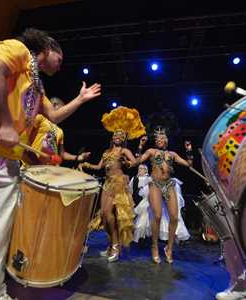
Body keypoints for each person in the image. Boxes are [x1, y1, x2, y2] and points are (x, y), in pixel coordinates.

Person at [0, 28, 101, 300]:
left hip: (5, 160)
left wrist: (79, 99)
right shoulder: (16, 49)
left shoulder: (37, 84)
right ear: (47, 48)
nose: (61, 64)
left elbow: (52, 116)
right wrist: (6, 123)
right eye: (60, 58)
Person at [79, 106, 146, 262]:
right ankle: (111, 244)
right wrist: (86, 164)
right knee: (104, 214)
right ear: (112, 137)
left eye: (121, 135)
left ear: (123, 139)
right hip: (107, 184)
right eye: (116, 134)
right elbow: (99, 167)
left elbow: (135, 162)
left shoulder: (123, 151)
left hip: (119, 183)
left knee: (113, 217)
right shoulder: (106, 152)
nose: (117, 136)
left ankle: (116, 245)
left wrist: (127, 163)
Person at [132, 128, 193, 263]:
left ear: (166, 140)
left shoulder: (172, 154)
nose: (159, 140)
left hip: (169, 184)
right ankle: (154, 246)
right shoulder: (151, 152)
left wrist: (189, 150)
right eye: (157, 139)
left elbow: (189, 164)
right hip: (155, 184)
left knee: (174, 217)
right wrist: (140, 145)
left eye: (162, 138)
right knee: (158, 215)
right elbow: (137, 162)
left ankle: (169, 248)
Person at [23, 97, 91, 166]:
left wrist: (79, 157)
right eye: (63, 109)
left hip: (49, 169)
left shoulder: (60, 131)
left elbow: (62, 154)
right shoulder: (39, 118)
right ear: (55, 105)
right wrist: (34, 161)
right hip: (32, 167)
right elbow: (25, 142)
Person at [133, 175, 190, 244]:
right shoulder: (152, 181)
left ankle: (167, 240)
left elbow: (173, 197)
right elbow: (144, 193)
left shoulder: (171, 182)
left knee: (165, 221)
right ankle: (143, 238)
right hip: (152, 204)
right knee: (145, 219)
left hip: (163, 205)